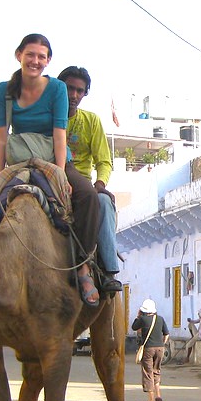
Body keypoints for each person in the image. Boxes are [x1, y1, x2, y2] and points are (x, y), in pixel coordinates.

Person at [0, 33, 102, 307]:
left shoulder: (57, 90)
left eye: (41, 56)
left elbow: (59, 135)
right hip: (17, 161)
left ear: (48, 60)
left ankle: (83, 266)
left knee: (88, 197)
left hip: (54, 160)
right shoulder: (3, 90)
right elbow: (2, 137)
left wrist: (60, 174)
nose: (35, 61)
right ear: (19, 55)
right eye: (30, 55)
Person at [57, 65, 122, 293]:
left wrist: (100, 184)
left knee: (103, 201)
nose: (74, 95)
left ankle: (108, 271)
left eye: (80, 91)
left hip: (82, 185)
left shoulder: (91, 121)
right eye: (69, 89)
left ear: (85, 93)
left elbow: (104, 161)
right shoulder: (48, 116)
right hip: (51, 177)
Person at [131, 299, 169, 401]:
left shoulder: (143, 319)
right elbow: (166, 334)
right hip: (160, 348)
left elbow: (134, 327)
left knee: (148, 372)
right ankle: (158, 395)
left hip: (148, 349)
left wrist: (138, 316)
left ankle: (151, 400)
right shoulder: (160, 319)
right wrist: (162, 344)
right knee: (156, 370)